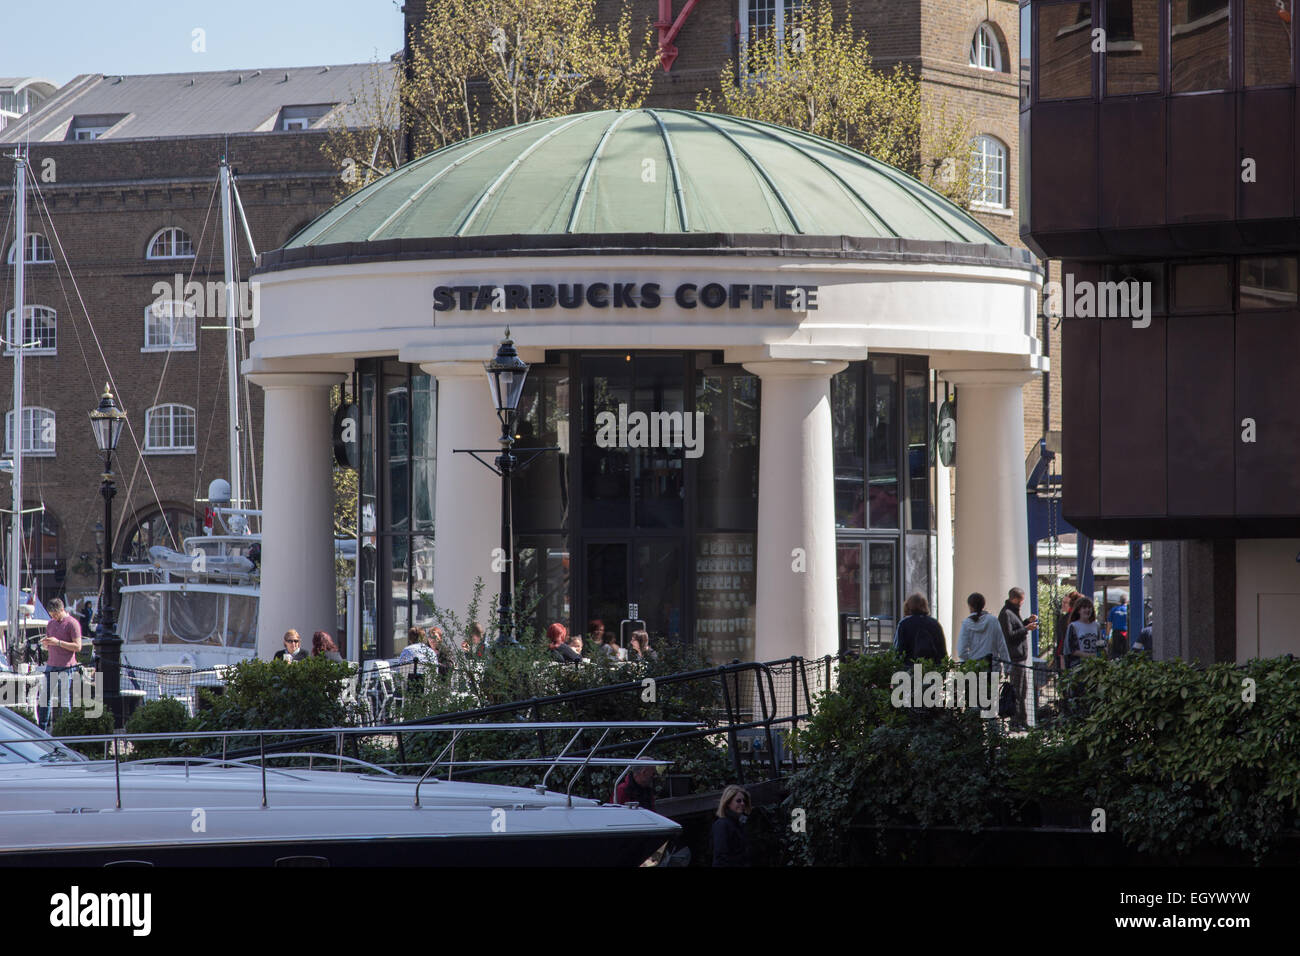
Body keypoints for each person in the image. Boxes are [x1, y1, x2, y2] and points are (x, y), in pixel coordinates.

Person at [39, 598, 82, 730]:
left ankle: (65, 728)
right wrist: (46, 644)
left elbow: (78, 646)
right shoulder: (51, 623)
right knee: (44, 697)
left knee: (64, 698)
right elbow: (49, 645)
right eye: (52, 615)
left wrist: (57, 642)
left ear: (62, 610)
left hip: (66, 665)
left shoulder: (72, 623)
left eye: (55, 614)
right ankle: (42, 727)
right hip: (51, 663)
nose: (54, 617)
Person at [998, 587, 1037, 727]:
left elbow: (1016, 629)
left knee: (1022, 691)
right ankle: (1016, 721)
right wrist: (1026, 628)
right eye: (1021, 600)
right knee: (1017, 692)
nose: (1021, 603)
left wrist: (1026, 622)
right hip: (1015, 658)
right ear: (1014, 599)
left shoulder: (1012, 612)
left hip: (1020, 657)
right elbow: (1009, 636)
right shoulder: (1006, 614)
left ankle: (1022, 720)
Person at [956, 592, 1010, 674]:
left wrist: (969, 662)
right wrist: (1007, 667)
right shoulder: (993, 620)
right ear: (983, 605)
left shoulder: (966, 624)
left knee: (976, 687)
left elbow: (961, 650)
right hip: (993, 667)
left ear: (970, 606)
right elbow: (1001, 645)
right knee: (991, 687)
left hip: (974, 669)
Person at [892, 592, 947, 665]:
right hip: (932, 669)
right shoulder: (935, 624)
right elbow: (942, 651)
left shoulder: (904, 624)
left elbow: (898, 649)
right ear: (925, 605)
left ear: (908, 606)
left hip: (910, 669)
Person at [711, 785, 751, 867]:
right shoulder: (722, 825)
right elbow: (721, 857)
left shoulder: (739, 824)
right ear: (728, 803)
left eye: (744, 801)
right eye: (738, 801)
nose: (742, 803)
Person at [1063, 597, 1103, 669]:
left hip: (1094, 665)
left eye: (1089, 607)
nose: (1087, 610)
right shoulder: (1073, 626)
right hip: (1078, 666)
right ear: (1078, 610)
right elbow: (1070, 649)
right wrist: (1089, 655)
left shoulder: (1096, 626)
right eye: (1084, 608)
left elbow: (1100, 643)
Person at [1107, 594, 1130, 658]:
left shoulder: (1114, 610)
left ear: (1120, 601)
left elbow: (1109, 623)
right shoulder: (1128, 610)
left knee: (1116, 652)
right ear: (1127, 601)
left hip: (1116, 633)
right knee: (1126, 651)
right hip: (1126, 633)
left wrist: (1107, 635)